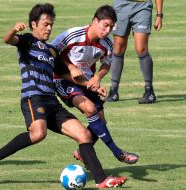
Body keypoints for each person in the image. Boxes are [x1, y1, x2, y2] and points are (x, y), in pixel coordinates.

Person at [0, 3, 127, 188]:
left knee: (84, 135)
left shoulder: (52, 51)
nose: (49, 28)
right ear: (33, 24)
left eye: (51, 25)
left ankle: (101, 180)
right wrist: (13, 30)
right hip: (34, 98)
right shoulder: (27, 41)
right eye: (45, 24)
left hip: (52, 102)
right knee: (39, 133)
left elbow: (67, 76)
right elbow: (7, 40)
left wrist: (93, 86)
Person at [51, 5, 139, 165]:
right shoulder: (73, 35)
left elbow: (107, 63)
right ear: (94, 21)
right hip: (62, 80)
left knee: (100, 122)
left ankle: (82, 153)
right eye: (105, 25)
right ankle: (118, 153)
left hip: (86, 83)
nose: (107, 30)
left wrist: (97, 78)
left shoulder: (107, 44)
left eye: (111, 27)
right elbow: (51, 51)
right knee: (90, 109)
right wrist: (70, 67)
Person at [106, 0, 163, 104]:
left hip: (142, 6)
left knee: (141, 49)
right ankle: (113, 91)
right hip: (121, 6)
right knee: (118, 48)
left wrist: (159, 15)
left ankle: (149, 91)